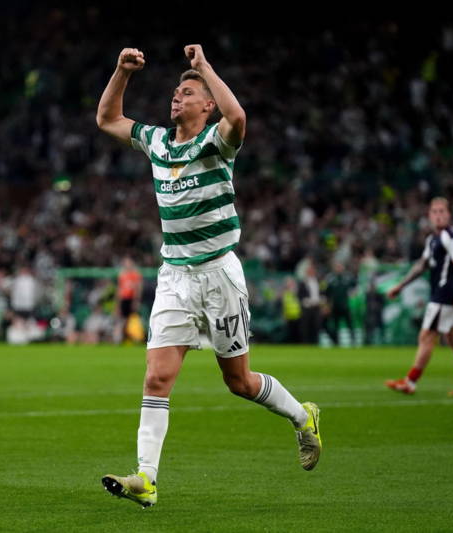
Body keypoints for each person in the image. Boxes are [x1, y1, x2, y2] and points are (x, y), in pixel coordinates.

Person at [95, 45, 321, 508]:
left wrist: (204, 67)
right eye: (176, 91)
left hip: (219, 275)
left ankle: (303, 417)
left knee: (239, 382)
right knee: (157, 378)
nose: (176, 96)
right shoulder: (157, 141)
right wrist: (121, 72)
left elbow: (238, 117)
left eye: (187, 92)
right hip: (175, 277)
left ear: (207, 105)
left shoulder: (218, 141)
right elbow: (107, 119)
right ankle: (146, 478)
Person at [385, 197, 453, 396]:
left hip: (445, 294)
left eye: (442, 211)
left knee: (426, 337)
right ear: (429, 216)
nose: (438, 215)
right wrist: (400, 286)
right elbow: (421, 266)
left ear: (449, 214)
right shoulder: (432, 239)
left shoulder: (451, 236)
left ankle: (410, 382)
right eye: (434, 212)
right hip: (444, 294)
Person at [324, 262, 356, 345]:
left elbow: (355, 285)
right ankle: (336, 342)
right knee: (335, 325)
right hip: (335, 306)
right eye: (337, 267)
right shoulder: (330, 278)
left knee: (350, 324)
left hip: (345, 305)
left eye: (340, 267)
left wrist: (353, 293)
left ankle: (353, 341)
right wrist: (327, 305)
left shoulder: (348, 277)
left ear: (343, 268)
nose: (339, 269)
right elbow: (326, 293)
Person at [113, 256, 143, 343]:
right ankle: (119, 339)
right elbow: (119, 289)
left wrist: (136, 301)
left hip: (131, 299)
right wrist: (117, 304)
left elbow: (138, 289)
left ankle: (135, 338)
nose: (127, 265)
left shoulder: (135, 274)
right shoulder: (122, 275)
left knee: (132, 319)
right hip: (124, 299)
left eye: (128, 262)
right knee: (122, 320)